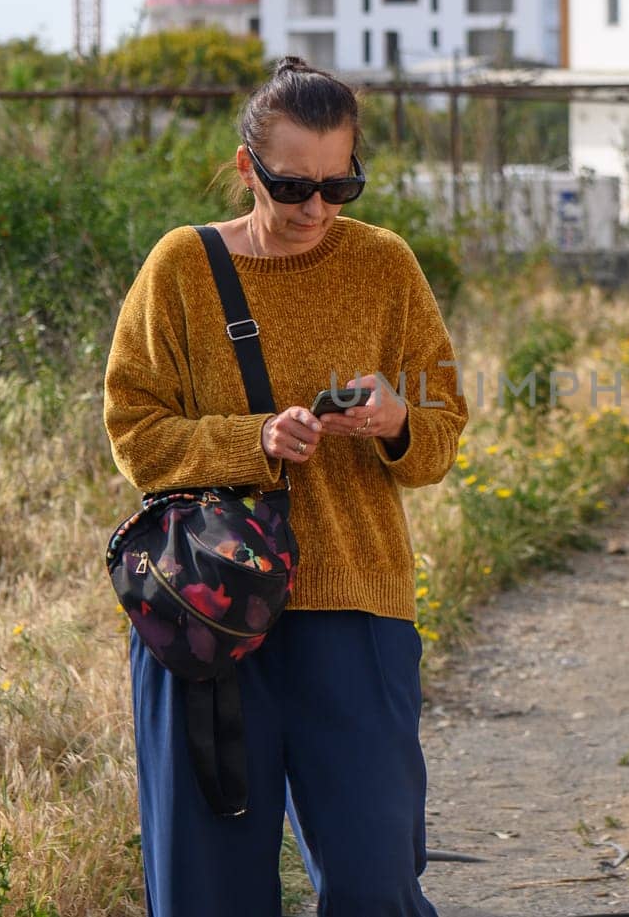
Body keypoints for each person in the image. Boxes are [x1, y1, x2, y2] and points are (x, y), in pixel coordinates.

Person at [103, 56, 467, 916]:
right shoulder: (181, 268)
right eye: (292, 184)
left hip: (356, 608)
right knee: (208, 891)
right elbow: (135, 430)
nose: (316, 208)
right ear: (245, 167)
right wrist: (254, 439)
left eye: (341, 185)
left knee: (377, 885)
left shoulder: (384, 265)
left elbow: (441, 437)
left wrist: (397, 421)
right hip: (207, 613)